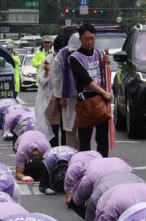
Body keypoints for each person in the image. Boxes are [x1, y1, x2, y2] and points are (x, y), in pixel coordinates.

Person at [69, 24, 111, 157]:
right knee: (85, 140)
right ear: (80, 39)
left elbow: (103, 75)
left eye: (92, 38)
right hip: (85, 102)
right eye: (86, 39)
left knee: (102, 138)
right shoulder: (74, 58)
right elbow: (87, 80)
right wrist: (104, 93)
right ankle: (86, 166)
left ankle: (103, 164)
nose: (89, 42)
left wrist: (106, 63)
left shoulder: (99, 53)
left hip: (100, 101)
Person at [56, 33, 80, 147]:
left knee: (83, 127)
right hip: (68, 96)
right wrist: (61, 95)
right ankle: (70, 152)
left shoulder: (90, 52)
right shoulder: (62, 54)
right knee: (69, 127)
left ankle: (82, 153)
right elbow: (58, 77)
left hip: (84, 95)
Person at [35, 36, 60, 145]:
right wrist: (46, 71)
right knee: (53, 125)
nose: (46, 44)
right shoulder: (42, 54)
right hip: (51, 95)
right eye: (45, 42)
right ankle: (53, 148)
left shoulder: (66, 56)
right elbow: (40, 77)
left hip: (64, 97)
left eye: (48, 42)